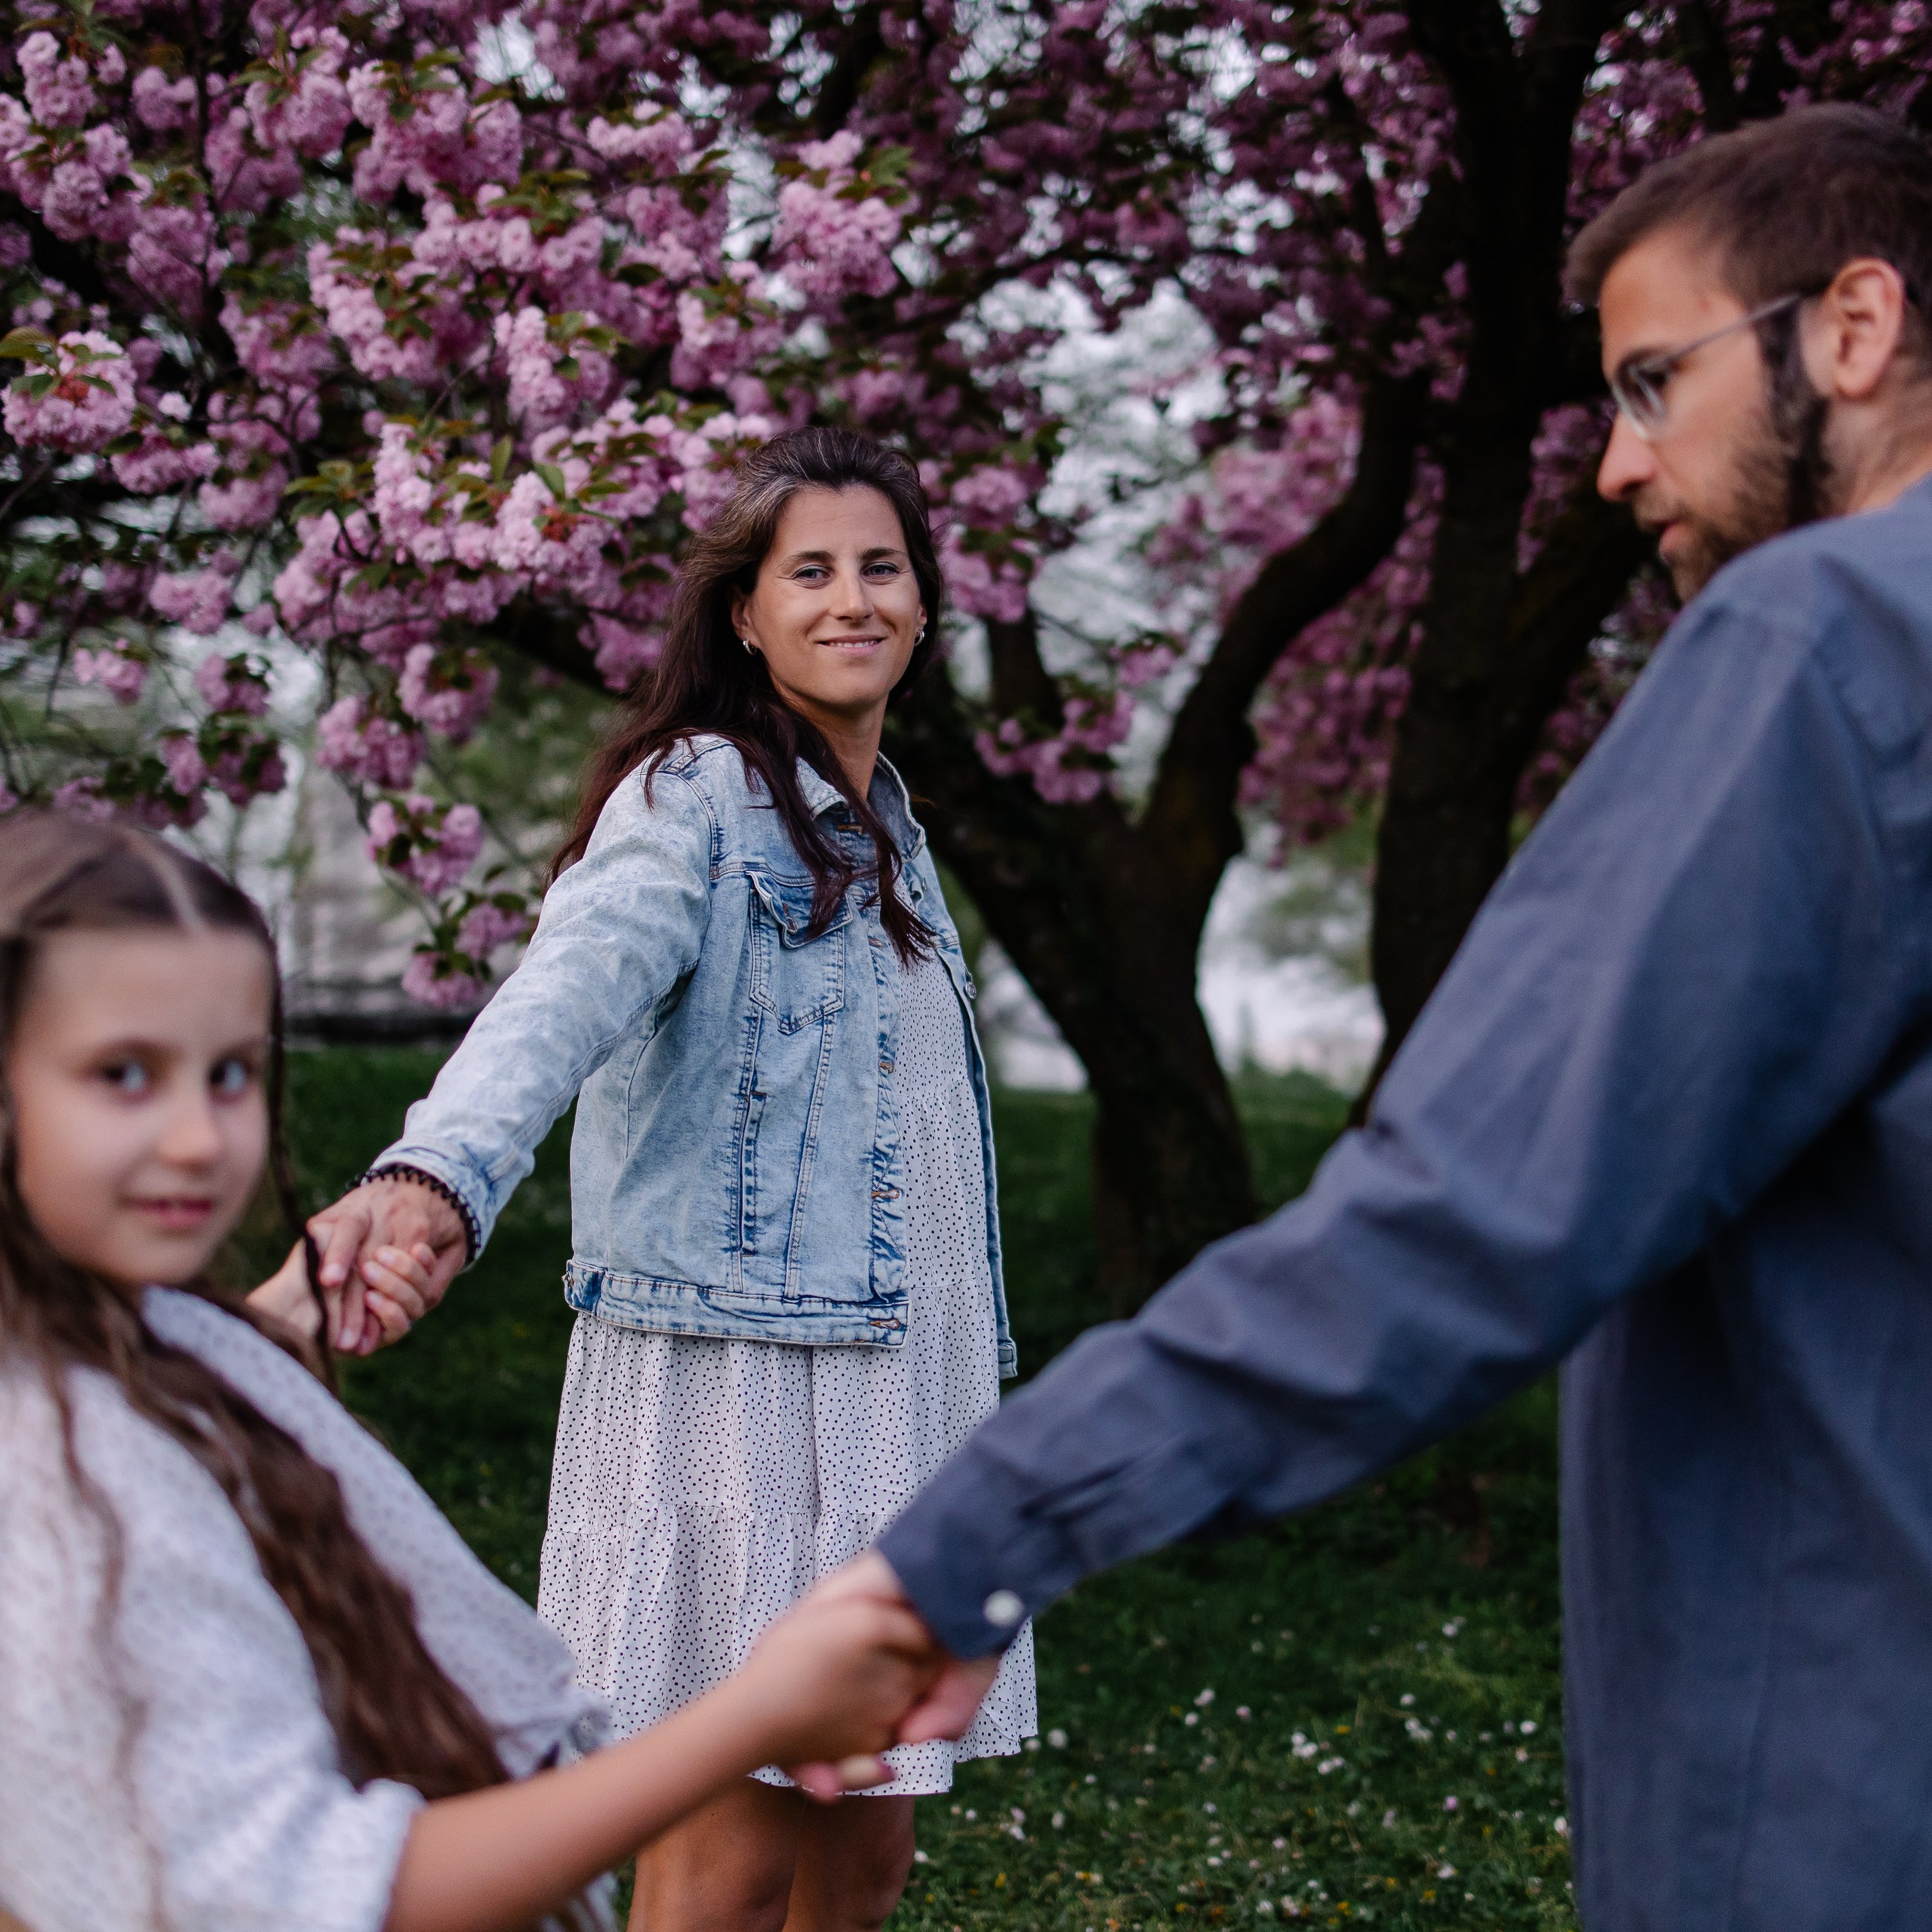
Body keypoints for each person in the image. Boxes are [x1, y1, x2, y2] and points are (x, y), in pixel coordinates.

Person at [804, 103, 1932, 1930]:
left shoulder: (1826, 634)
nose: (1613, 470)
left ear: (1853, 327)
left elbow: (1476, 1205)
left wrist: (978, 1533)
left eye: (1653, 384)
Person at [306, 428, 1037, 1932]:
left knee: (865, 1855)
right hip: (746, 1379)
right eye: (809, 570)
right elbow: (560, 994)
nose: (851, 597)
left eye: (879, 566)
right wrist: (437, 1174)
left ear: (923, 604)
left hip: (899, 1382)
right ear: (745, 617)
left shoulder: (885, 821)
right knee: (729, 1854)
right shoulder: (695, 794)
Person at [0, 813, 941, 1932]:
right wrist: (752, 1719)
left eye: (231, 1072)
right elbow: (342, 1896)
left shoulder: (128, 1333)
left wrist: (280, 1327)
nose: (201, 1138)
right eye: (123, 1073)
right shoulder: (65, 1496)